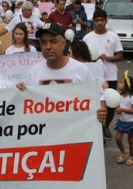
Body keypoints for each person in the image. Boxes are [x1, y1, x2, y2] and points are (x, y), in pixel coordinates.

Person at [16, 23, 107, 122]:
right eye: (43, 43)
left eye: (53, 41)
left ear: (63, 43)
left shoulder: (81, 69)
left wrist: (101, 110)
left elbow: (99, 96)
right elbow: (28, 102)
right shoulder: (34, 71)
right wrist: (21, 91)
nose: (48, 47)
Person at [83, 10, 123, 140]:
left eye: (102, 20)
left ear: (106, 21)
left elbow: (120, 56)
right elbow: (82, 57)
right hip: (92, 77)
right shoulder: (88, 37)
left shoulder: (113, 36)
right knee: (95, 104)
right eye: (97, 20)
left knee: (110, 105)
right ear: (93, 22)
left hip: (110, 76)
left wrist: (108, 58)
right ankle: (97, 129)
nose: (99, 23)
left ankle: (106, 126)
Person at [114, 70, 133, 165]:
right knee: (118, 138)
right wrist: (118, 110)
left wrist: (122, 110)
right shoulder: (119, 96)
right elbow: (119, 108)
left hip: (131, 122)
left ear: (127, 86)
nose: (118, 83)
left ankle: (131, 156)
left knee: (131, 141)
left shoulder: (131, 97)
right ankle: (123, 153)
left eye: (121, 82)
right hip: (122, 121)